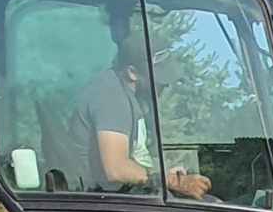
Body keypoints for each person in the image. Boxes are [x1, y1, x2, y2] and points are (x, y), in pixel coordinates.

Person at [68, 32, 211, 198]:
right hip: (104, 204)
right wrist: (170, 182)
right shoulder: (112, 97)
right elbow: (116, 169)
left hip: (123, 197)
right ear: (132, 73)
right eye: (159, 79)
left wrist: (164, 176)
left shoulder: (123, 94)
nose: (164, 86)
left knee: (213, 203)